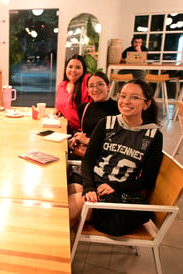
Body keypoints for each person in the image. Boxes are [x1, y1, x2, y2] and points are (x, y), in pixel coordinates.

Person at [68, 79, 163, 236]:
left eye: (134, 97)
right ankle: (61, 255)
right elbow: (88, 160)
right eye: (123, 96)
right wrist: (89, 187)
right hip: (93, 180)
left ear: (146, 104)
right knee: (66, 198)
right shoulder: (106, 123)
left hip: (114, 193)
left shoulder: (152, 135)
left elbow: (147, 178)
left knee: (71, 207)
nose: (126, 101)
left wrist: (116, 187)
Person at [68, 71, 120, 158]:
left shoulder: (118, 108)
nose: (95, 89)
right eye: (91, 86)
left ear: (108, 86)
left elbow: (118, 140)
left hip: (105, 159)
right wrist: (76, 138)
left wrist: (88, 141)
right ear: (87, 90)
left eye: (100, 84)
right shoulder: (83, 108)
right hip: (84, 154)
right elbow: (85, 131)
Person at [55, 54, 91, 134]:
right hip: (64, 128)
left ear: (83, 70)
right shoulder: (62, 85)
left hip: (81, 132)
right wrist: (59, 110)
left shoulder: (87, 85)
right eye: (70, 67)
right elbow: (59, 106)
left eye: (78, 67)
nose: (73, 70)